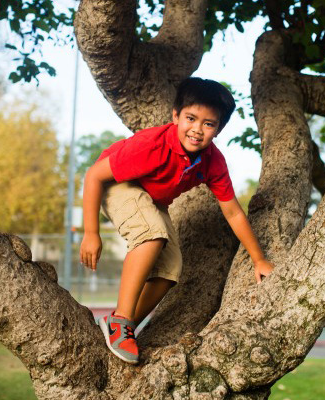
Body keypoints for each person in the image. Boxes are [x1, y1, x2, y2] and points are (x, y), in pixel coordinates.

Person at [80, 77, 274, 364]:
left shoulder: (213, 162)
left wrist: (259, 260)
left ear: (218, 129)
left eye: (208, 124)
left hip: (151, 200)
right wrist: (91, 232)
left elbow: (233, 211)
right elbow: (94, 175)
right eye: (191, 118)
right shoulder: (152, 145)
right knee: (152, 235)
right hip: (118, 186)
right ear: (175, 116)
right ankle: (119, 321)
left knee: (171, 269)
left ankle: (126, 325)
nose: (197, 129)